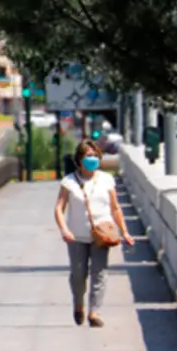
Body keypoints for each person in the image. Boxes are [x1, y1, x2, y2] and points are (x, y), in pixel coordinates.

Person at [53, 139, 134, 328]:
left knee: (99, 273)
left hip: (102, 235)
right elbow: (59, 208)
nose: (93, 159)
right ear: (80, 159)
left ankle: (94, 312)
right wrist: (64, 229)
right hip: (76, 237)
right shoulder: (69, 182)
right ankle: (78, 304)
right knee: (78, 275)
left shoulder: (107, 179)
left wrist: (125, 232)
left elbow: (115, 209)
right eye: (88, 155)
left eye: (95, 155)